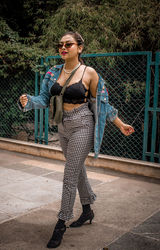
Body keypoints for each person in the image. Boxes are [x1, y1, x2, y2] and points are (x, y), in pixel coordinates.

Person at [18, 31, 135, 248]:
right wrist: (27, 101)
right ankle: (88, 209)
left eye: (68, 44)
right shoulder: (52, 72)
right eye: (60, 44)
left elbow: (102, 104)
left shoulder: (89, 73)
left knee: (69, 175)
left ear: (79, 48)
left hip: (83, 124)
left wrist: (120, 124)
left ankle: (61, 222)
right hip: (62, 126)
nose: (63, 47)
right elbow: (44, 99)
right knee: (77, 169)